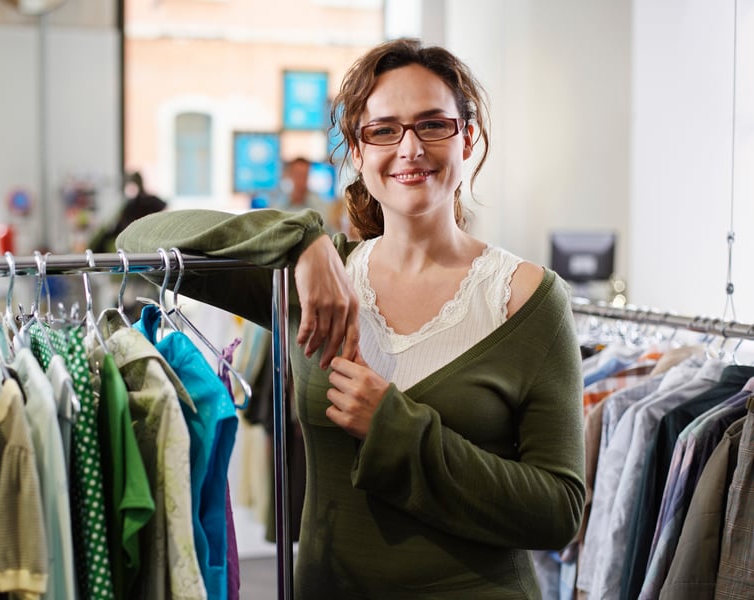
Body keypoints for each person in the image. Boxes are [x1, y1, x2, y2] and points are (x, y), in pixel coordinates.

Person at [117, 37, 585, 599]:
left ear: (469, 139)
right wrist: (303, 239)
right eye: (384, 130)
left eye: (433, 125)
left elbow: (559, 511)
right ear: (358, 154)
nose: (409, 148)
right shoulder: (312, 282)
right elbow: (139, 241)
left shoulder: (528, 298)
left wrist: (393, 428)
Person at [90, 171, 167, 253]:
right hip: (132, 231)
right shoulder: (146, 200)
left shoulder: (138, 202)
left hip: (130, 231)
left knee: (104, 238)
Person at [271, 156, 338, 231]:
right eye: (298, 175)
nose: (301, 180)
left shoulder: (321, 207)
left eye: (304, 175)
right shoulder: (278, 207)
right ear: (290, 175)